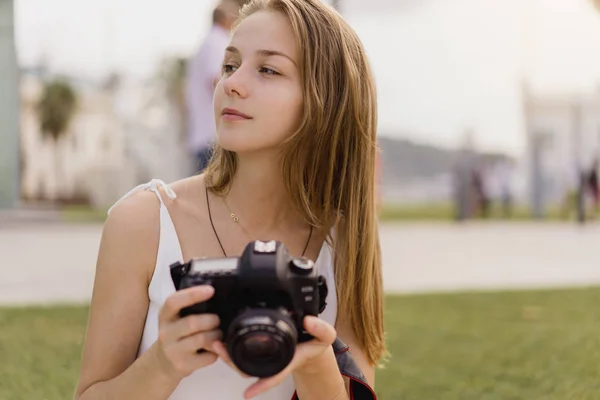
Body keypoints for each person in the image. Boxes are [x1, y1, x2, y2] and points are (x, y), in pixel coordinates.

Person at [73, 0, 386, 399]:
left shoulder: (344, 242)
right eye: (229, 65)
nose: (232, 84)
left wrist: (313, 359)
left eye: (268, 69)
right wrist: (164, 363)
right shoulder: (143, 222)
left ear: (326, 100)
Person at [185, 0, 247, 174]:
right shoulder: (218, 44)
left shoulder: (206, 44)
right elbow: (217, 81)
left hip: (203, 137)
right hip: (212, 139)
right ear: (227, 19)